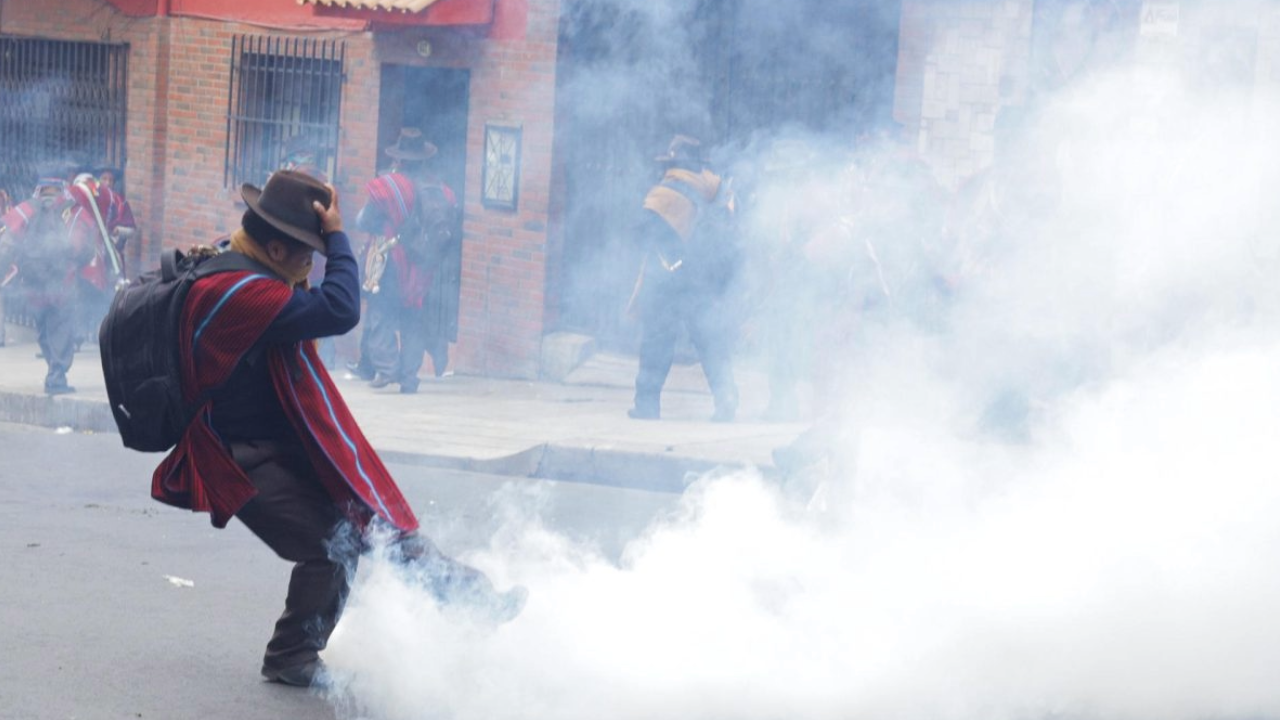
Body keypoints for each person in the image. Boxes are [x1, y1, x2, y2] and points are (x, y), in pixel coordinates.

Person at [150, 171, 524, 688]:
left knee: (368, 523)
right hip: (236, 452)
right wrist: (341, 237)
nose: (314, 263)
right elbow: (341, 308)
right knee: (333, 545)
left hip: (277, 438)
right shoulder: (243, 292)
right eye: (307, 252)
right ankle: (290, 656)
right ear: (275, 247)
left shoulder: (234, 259)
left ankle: (470, 597)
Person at [628, 134, 740, 422]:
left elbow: (643, 231)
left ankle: (647, 406)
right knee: (710, 342)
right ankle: (726, 400)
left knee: (656, 342)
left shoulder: (666, 191)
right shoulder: (717, 190)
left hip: (667, 278)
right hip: (703, 280)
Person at [349, 128, 459, 393]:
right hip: (422, 264)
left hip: (392, 259)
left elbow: (364, 220)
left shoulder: (388, 186)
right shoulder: (441, 190)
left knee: (381, 313)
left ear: (400, 159)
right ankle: (410, 378)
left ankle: (387, 368)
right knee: (413, 317)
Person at [0, 173, 95, 393]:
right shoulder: (74, 212)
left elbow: (6, 244)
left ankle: (54, 371)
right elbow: (84, 247)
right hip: (63, 283)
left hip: (33, 285)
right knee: (61, 328)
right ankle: (56, 376)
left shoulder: (25, 210)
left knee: (43, 329)